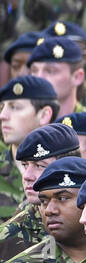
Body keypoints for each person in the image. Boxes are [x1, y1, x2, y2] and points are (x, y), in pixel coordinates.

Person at [0, 123, 83, 263]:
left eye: (39, 166)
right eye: (25, 165)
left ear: (68, 167)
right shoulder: (9, 237)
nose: (27, 175)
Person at [0, 77, 59, 224]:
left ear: (44, 115)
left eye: (15, 107)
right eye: (2, 107)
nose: (3, 116)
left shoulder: (64, 171)